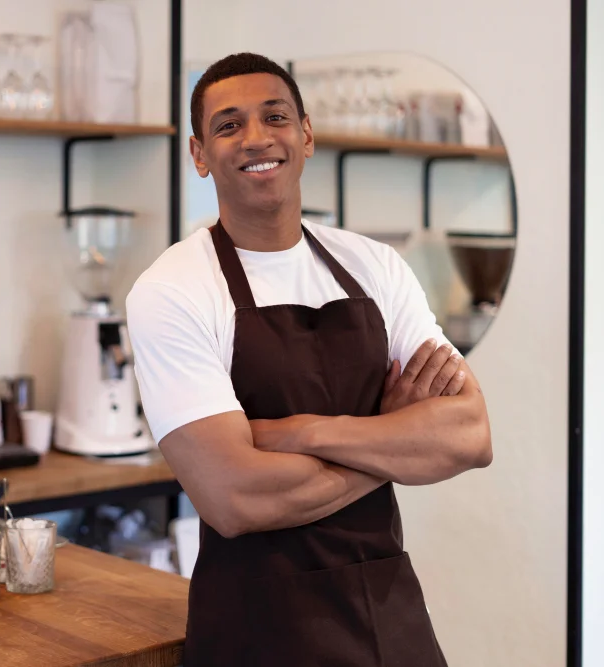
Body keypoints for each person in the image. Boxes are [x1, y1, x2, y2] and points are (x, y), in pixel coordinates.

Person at [125, 53, 493, 666]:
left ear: (306, 134)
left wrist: (300, 433)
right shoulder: (173, 290)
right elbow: (234, 498)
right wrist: (391, 442)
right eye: (228, 125)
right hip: (257, 628)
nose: (256, 138)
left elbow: (471, 435)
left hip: (387, 613)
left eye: (275, 116)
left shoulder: (376, 268)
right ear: (198, 154)